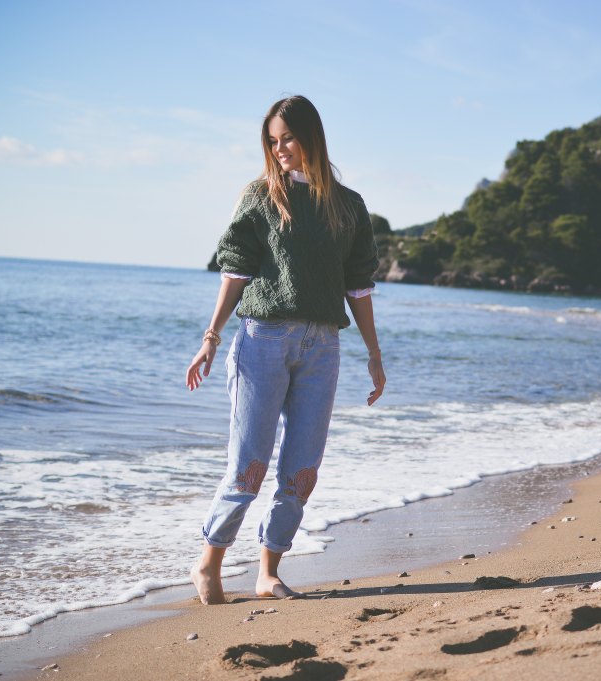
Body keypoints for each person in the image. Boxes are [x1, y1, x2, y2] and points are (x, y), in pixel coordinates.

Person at [185, 95, 385, 605]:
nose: (280, 150)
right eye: (272, 142)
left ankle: (268, 570)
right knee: (248, 465)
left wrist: (374, 355)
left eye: (288, 139)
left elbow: (358, 285)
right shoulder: (259, 195)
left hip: (323, 347)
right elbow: (235, 269)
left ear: (311, 137)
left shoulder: (348, 206)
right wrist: (210, 337)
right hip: (262, 342)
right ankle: (209, 559)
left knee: (301, 468)